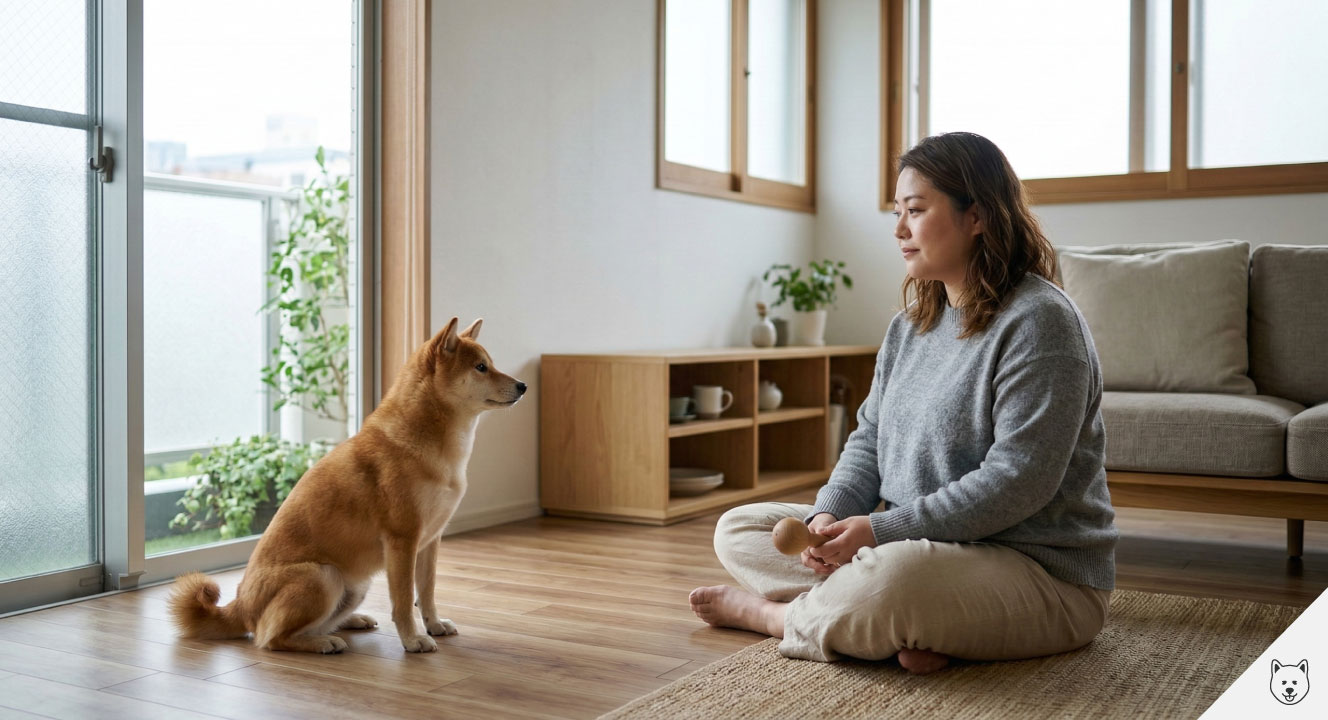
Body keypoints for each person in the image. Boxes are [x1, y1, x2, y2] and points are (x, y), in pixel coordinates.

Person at [689, 132, 1118, 675]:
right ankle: (903, 624)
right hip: (910, 546)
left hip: (1039, 572)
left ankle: (779, 618)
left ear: (978, 217)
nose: (899, 230)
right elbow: (869, 437)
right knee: (740, 528)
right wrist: (830, 516)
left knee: (897, 577)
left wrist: (882, 534)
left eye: (915, 210)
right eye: (898, 211)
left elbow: (1020, 479)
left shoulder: (1040, 322)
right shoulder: (910, 326)